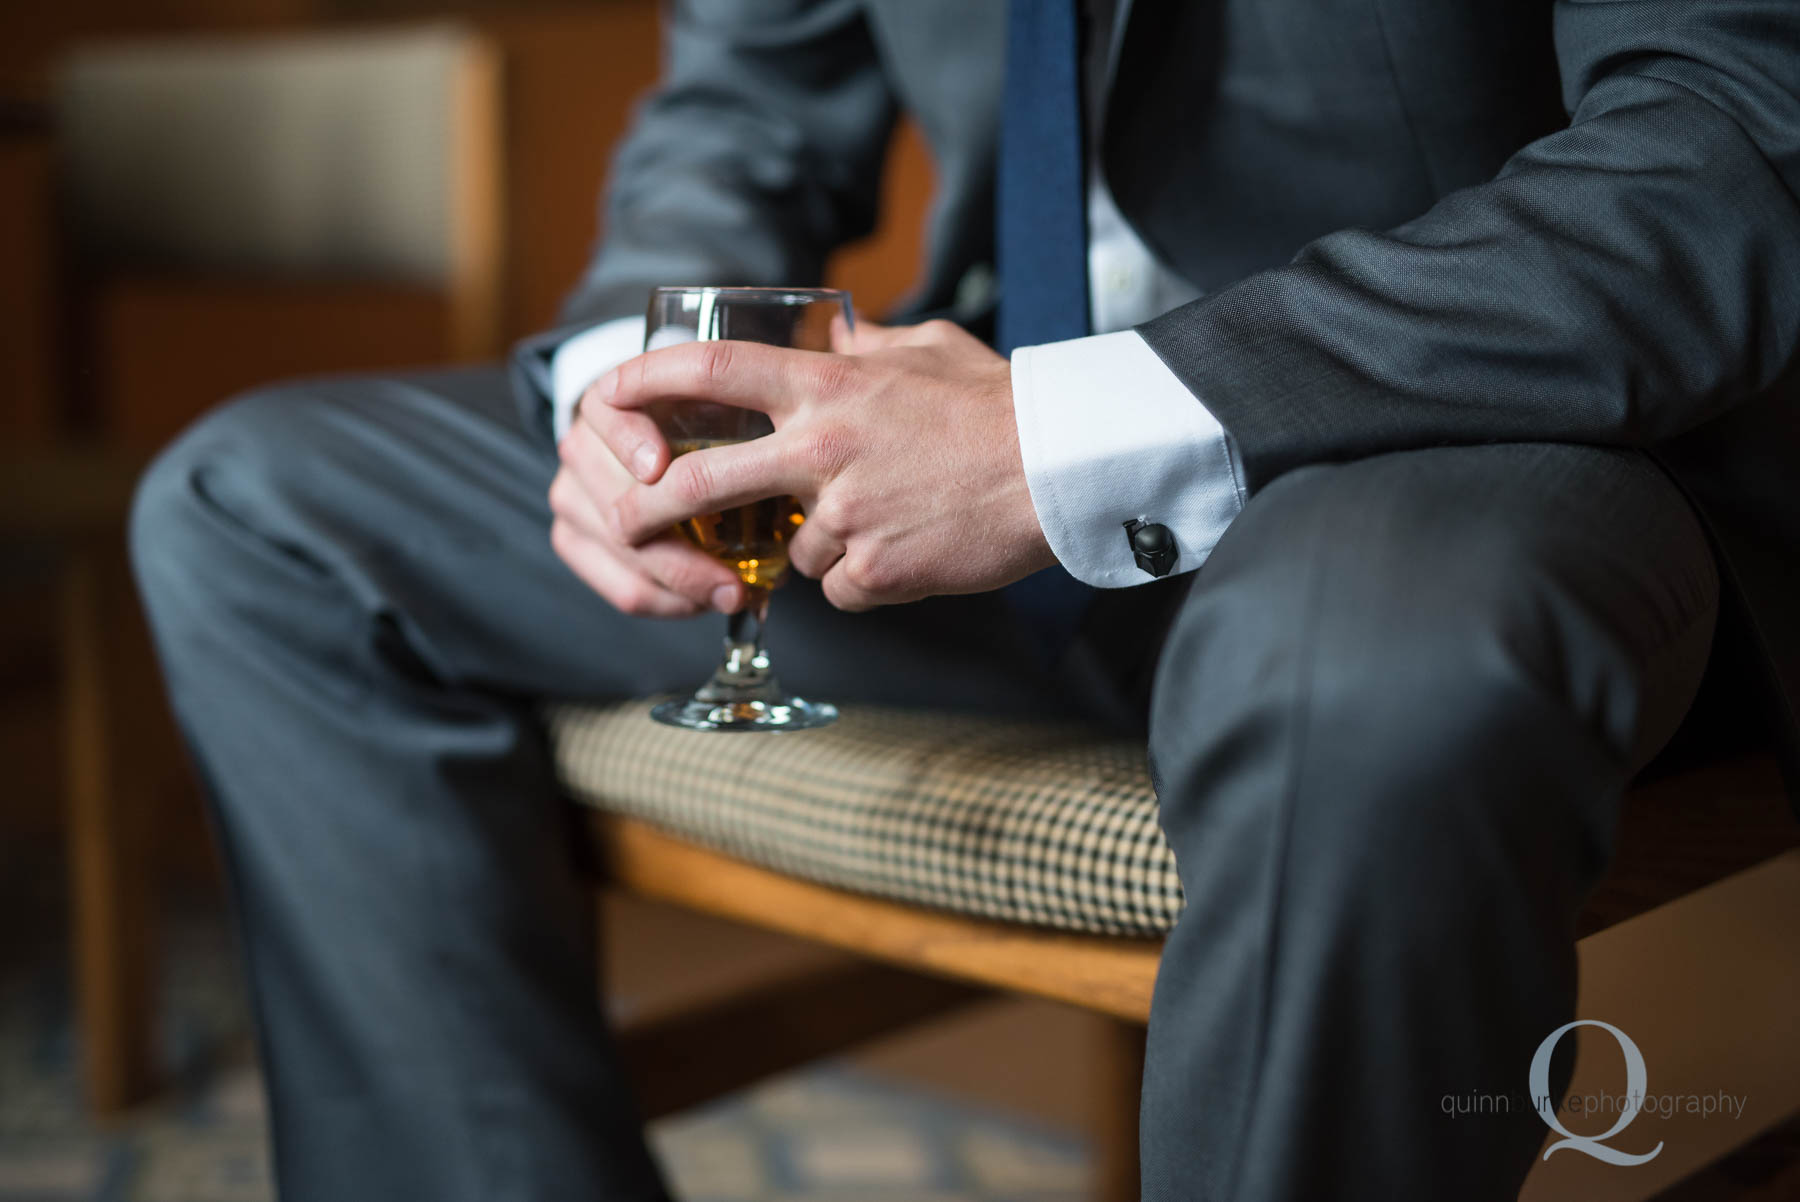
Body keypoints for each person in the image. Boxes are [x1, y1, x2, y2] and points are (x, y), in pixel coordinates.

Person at [129, 1, 1800, 1199]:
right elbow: (739, 116)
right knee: (261, 512)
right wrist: (636, 394)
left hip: (1464, 450)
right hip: (956, 482)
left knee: (1349, 675)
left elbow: (1724, 150)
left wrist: (1054, 433)